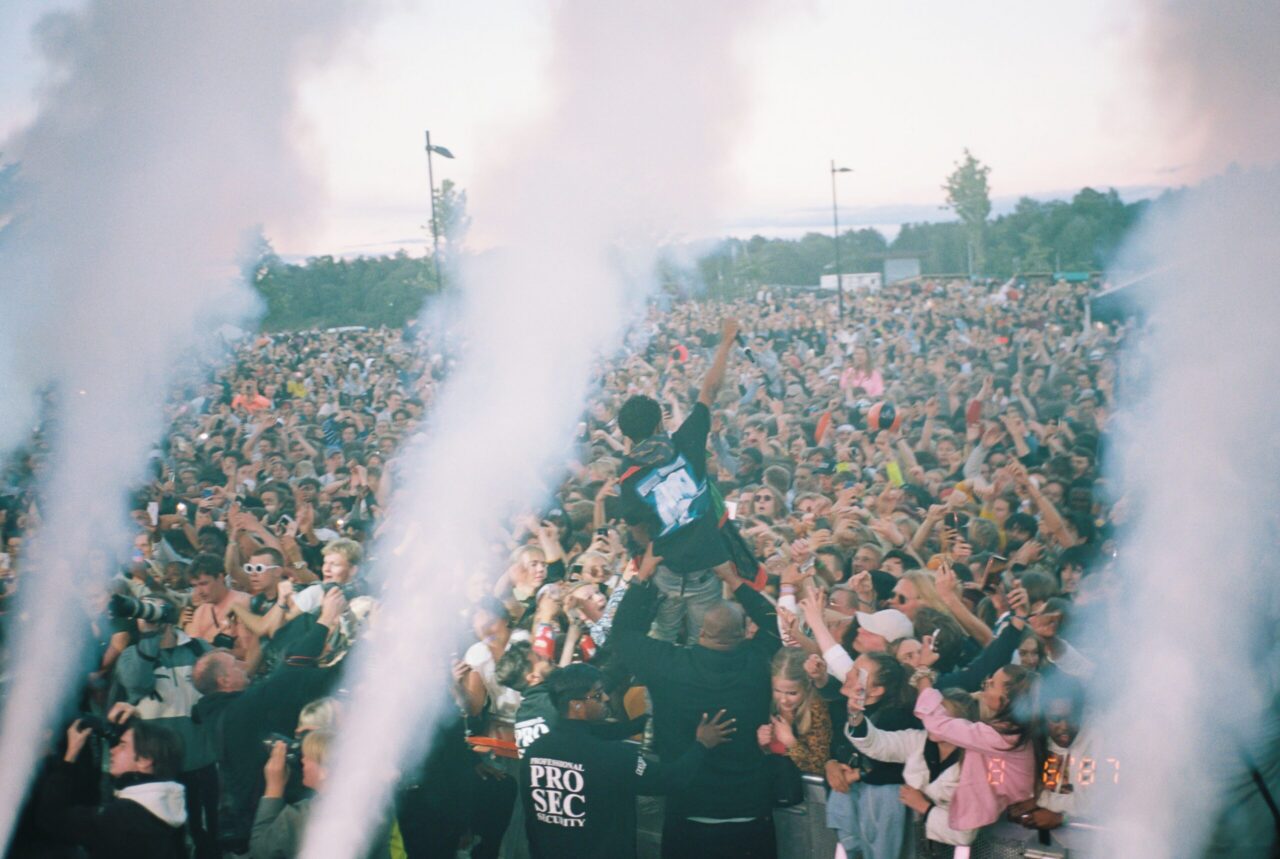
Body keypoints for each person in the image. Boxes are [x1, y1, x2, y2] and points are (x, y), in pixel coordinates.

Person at [612, 553, 782, 859]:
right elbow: (778, 626)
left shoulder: (669, 666)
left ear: (701, 631)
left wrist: (644, 576)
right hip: (750, 814)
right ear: (744, 631)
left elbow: (623, 634)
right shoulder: (758, 663)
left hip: (689, 815)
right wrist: (733, 580)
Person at [520, 664, 735, 859]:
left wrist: (645, 720)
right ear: (576, 705)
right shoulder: (614, 755)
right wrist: (702, 745)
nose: (606, 698)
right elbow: (670, 779)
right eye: (597, 695)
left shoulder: (534, 752)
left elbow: (530, 820)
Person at [616, 317, 739, 643]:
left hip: (665, 572)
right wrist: (726, 342)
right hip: (706, 571)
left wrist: (657, 545)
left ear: (627, 435)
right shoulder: (687, 442)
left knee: (663, 637)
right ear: (660, 423)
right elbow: (709, 391)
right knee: (705, 641)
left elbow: (637, 529)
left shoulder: (628, 477)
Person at [847, 687, 980, 847]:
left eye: (942, 717)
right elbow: (878, 744)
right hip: (916, 839)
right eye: (932, 713)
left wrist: (923, 806)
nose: (932, 721)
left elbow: (965, 833)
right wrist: (855, 715)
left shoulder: (975, 765)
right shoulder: (918, 741)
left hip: (956, 850)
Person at [37, 717, 188, 859]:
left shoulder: (120, 818)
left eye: (122, 745)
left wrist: (70, 757)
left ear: (144, 760)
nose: (112, 750)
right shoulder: (168, 809)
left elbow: (52, 819)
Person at [914, 665, 1037, 831]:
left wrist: (923, 676)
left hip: (1013, 822)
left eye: (992, 684)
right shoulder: (1013, 731)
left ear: (1007, 699)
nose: (986, 683)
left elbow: (938, 725)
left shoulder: (1001, 736)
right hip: (1008, 813)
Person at [757, 647, 831, 775]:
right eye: (777, 691)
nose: (783, 700)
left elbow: (819, 766)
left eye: (792, 693)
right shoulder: (767, 703)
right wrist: (762, 744)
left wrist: (791, 742)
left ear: (806, 687)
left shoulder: (816, 709)